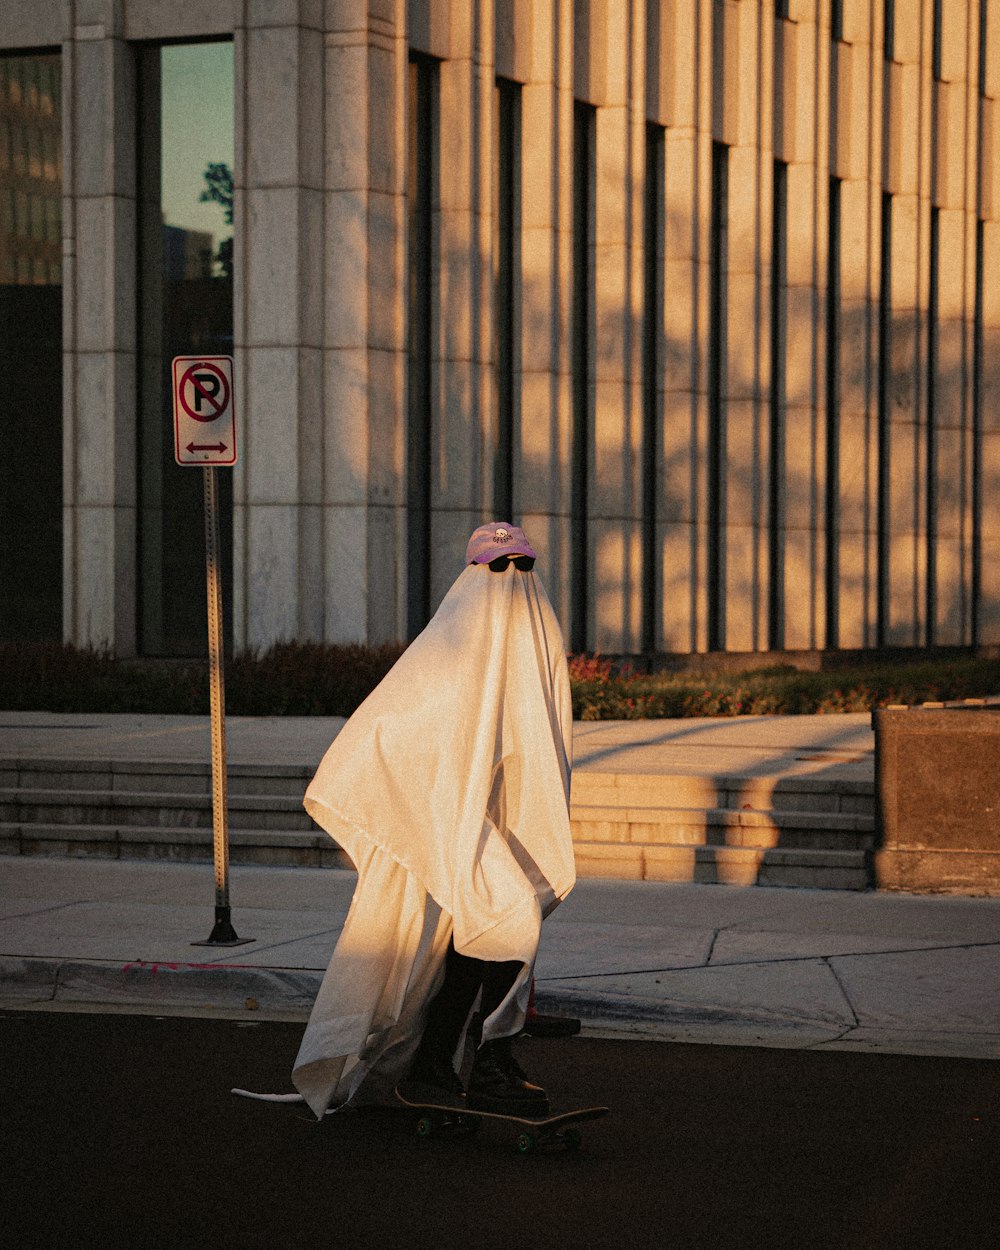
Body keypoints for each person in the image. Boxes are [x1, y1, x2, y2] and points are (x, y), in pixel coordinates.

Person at [291, 523, 576, 1120]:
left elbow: (535, 749)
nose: (512, 581)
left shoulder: (533, 646)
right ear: (474, 574)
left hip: (482, 827)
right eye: (498, 568)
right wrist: (415, 810)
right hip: (442, 824)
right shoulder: (449, 643)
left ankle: (435, 1064)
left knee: (476, 940)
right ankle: (491, 1062)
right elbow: (386, 729)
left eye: (523, 566)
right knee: (509, 917)